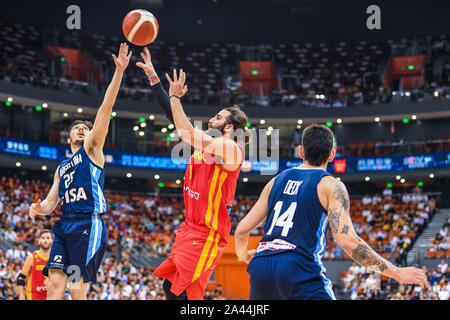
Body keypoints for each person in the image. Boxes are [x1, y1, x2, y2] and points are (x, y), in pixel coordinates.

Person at [235, 124, 429, 300]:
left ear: (301, 151)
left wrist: (245, 256)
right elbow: (348, 241)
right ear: (332, 155)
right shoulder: (330, 185)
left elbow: (242, 231)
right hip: (298, 268)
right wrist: (396, 272)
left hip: (261, 267)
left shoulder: (275, 181)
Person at [136, 48, 249, 300]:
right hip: (189, 228)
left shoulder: (231, 149)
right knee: (169, 287)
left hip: (207, 233)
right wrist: (154, 76)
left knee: (184, 294)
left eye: (218, 117)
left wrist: (176, 98)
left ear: (229, 127)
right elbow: (173, 115)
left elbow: (185, 131)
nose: (212, 119)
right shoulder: (206, 142)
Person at [28, 43, 132, 300]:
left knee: (76, 288)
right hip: (64, 224)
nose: (81, 129)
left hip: (88, 222)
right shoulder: (61, 168)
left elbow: (105, 109)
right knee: (54, 285)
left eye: (85, 127)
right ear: (68, 138)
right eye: (76, 127)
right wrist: (37, 208)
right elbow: (51, 203)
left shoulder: (92, 150)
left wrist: (118, 72)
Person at [17, 229, 53, 300]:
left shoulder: (56, 258)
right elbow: (20, 278)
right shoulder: (31, 258)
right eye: (43, 238)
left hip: (52, 294)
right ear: (39, 241)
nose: (45, 240)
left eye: (48, 238)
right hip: (34, 295)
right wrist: (21, 295)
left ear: (52, 241)